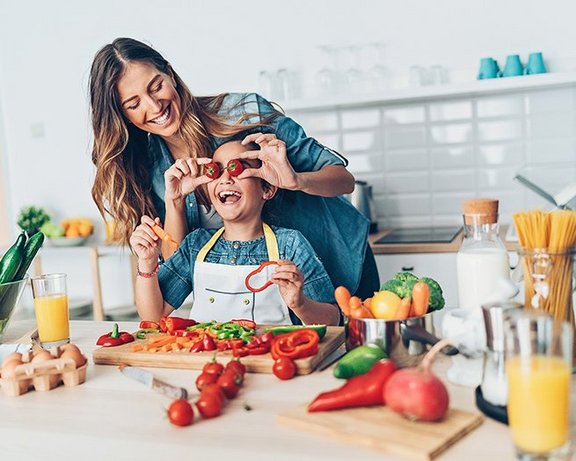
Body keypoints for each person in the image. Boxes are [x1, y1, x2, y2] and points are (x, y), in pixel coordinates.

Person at [89, 37, 379, 300]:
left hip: (341, 268)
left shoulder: (243, 112)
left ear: (170, 74)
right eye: (134, 103)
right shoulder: (147, 167)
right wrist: (174, 203)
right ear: (121, 114)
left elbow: (343, 180)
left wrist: (295, 180)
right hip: (267, 299)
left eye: (156, 86)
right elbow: (177, 263)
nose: (154, 106)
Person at [130, 140, 341, 325]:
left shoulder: (290, 244)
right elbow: (153, 317)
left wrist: (300, 304)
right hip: (208, 361)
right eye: (216, 170)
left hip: (268, 362)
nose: (225, 178)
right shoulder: (195, 244)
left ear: (267, 189)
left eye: (238, 168)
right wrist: (147, 263)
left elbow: (333, 319)